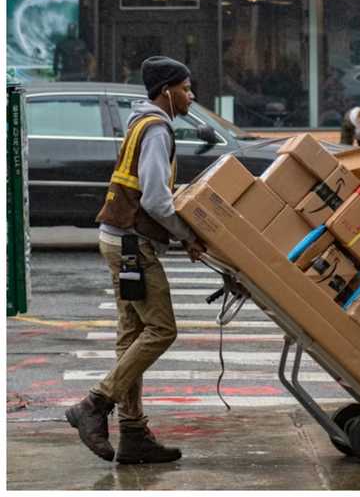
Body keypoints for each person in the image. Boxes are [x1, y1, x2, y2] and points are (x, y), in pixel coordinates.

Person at [66, 56, 207, 464]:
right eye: (185, 87)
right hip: (132, 245)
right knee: (161, 330)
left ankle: (133, 434)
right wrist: (187, 236)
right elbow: (157, 200)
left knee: (131, 337)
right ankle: (94, 404)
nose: (190, 94)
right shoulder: (157, 130)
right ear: (166, 91)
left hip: (118, 240)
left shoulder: (140, 122)